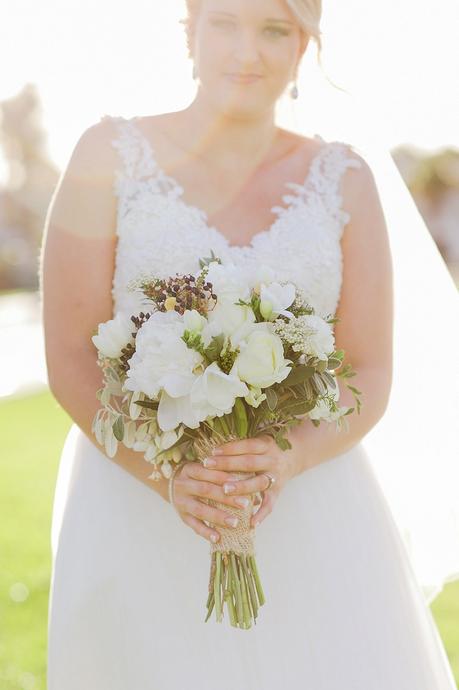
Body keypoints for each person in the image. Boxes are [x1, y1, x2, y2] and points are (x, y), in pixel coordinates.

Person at [41, 0, 458, 687]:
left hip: (308, 500)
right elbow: (67, 355)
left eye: (275, 29)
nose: (247, 51)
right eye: (225, 23)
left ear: (305, 47)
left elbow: (371, 366)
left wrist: (286, 460)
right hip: (134, 499)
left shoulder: (343, 177)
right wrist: (172, 479)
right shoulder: (106, 154)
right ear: (189, 33)